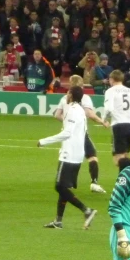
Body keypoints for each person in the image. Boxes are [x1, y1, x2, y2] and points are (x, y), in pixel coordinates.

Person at [37, 86, 98, 230]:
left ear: (71, 95)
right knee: (64, 187)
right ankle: (58, 221)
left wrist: (44, 141)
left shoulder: (72, 110)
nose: (66, 94)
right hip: (76, 154)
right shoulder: (80, 111)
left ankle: (86, 210)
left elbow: (67, 133)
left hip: (69, 154)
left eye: (68, 92)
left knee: (59, 186)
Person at [55, 75, 108, 194]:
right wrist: (102, 121)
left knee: (70, 157)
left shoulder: (64, 98)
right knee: (92, 156)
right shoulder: (84, 97)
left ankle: (68, 183)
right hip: (80, 133)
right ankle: (94, 183)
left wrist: (67, 120)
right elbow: (90, 114)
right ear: (80, 85)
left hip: (67, 133)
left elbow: (57, 115)